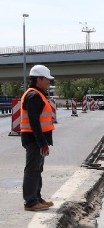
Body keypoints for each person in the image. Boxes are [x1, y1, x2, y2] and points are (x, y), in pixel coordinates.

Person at [20, 65, 56, 212]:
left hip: (37, 139)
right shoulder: (34, 96)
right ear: (38, 79)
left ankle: (37, 198)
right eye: (46, 79)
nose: (48, 82)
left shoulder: (38, 94)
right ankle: (30, 201)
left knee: (37, 169)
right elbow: (34, 123)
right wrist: (42, 143)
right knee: (32, 169)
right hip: (34, 139)